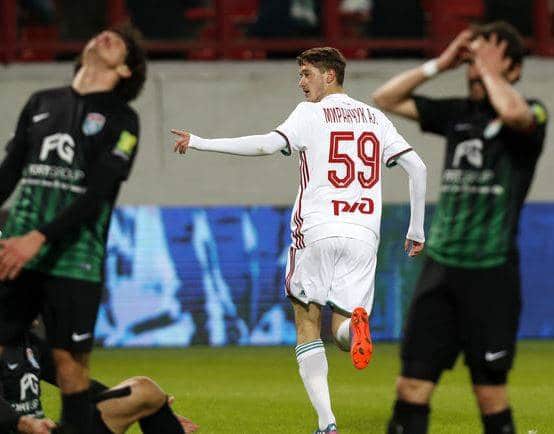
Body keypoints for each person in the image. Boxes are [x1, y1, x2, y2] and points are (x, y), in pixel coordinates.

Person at [171, 46, 427, 434]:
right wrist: (416, 230)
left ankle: (327, 424)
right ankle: (354, 329)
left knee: (307, 321)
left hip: (317, 229)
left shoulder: (310, 113)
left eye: (307, 74)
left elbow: (266, 144)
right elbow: (417, 167)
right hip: (363, 233)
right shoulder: (375, 117)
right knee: (343, 329)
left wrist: (201, 141)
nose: (301, 82)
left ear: (329, 75)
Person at [372, 21, 548, 434]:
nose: (475, 68)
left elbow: (514, 113)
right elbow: (385, 98)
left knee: (490, 395)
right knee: (411, 387)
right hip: (440, 271)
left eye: (488, 57)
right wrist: (441, 63)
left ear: (514, 70)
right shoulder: (458, 115)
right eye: (472, 60)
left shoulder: (533, 114)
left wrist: (486, 70)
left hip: (491, 274)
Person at [0, 25, 147, 434]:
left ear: (125, 70)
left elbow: (97, 194)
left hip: (75, 260)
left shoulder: (124, 120)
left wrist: (39, 238)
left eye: (119, 42)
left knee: (69, 367)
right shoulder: (41, 102)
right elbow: (9, 173)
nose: (106, 36)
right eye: (102, 34)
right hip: (17, 254)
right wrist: (26, 239)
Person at [0, 328, 199, 433]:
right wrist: (24, 423)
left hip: (44, 430)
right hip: (25, 429)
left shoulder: (28, 341)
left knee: (144, 390)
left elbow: (78, 385)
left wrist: (157, 412)